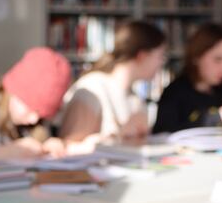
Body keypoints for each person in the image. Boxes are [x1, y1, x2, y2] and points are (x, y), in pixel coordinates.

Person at [59, 20, 167, 151]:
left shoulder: (135, 99)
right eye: (160, 56)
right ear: (142, 56)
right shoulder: (92, 89)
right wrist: (119, 138)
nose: (161, 63)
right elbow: (65, 150)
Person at [153, 22, 222, 133]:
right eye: (218, 59)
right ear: (197, 56)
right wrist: (220, 116)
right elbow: (164, 134)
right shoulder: (174, 93)